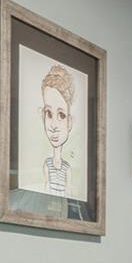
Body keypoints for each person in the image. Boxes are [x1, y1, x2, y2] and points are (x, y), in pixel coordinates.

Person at [40, 64, 76, 196]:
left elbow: (69, 194)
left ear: (69, 122)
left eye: (61, 115)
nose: (54, 125)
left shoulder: (67, 168)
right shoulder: (46, 164)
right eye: (49, 113)